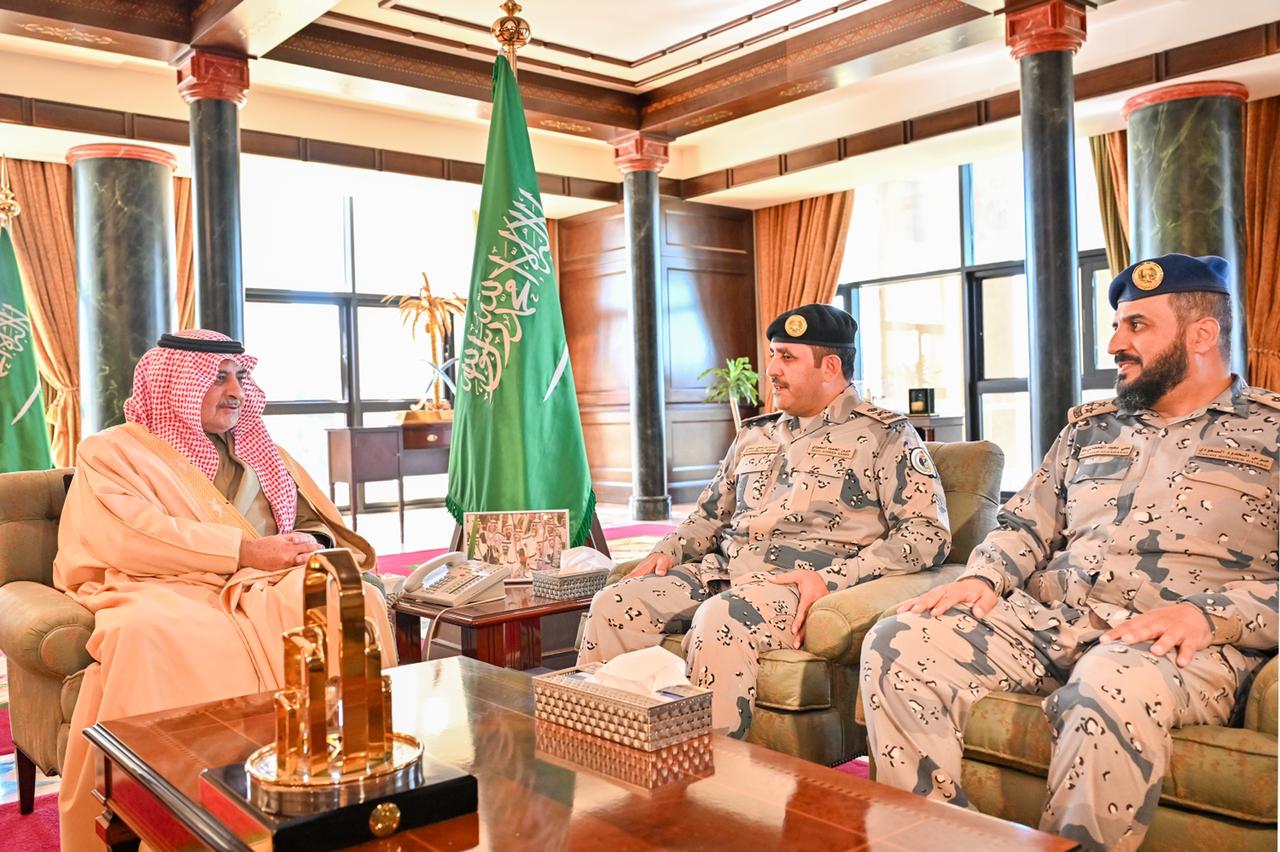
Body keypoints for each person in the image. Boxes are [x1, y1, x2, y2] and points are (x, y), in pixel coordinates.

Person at [860, 254, 1279, 852]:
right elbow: (1022, 525)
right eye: (1117, 325)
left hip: (1175, 645)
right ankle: (932, 841)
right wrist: (985, 577)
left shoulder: (1270, 432)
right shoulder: (1090, 429)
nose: (1114, 343)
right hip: (1056, 622)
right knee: (900, 638)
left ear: (1202, 334)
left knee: (1109, 678)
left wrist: (1209, 616)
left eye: (1137, 325)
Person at [55, 330, 397, 850]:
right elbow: (129, 534)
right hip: (161, 581)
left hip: (264, 582)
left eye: (240, 377)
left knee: (354, 598)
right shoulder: (113, 451)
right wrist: (243, 551)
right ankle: (174, 812)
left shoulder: (263, 450)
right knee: (152, 633)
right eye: (218, 378)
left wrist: (311, 543)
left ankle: (344, 778)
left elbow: (311, 522)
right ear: (173, 385)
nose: (236, 391)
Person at [579, 304, 951, 736]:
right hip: (725, 572)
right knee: (613, 603)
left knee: (720, 618)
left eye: (787, 357)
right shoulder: (756, 433)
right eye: (773, 355)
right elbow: (708, 516)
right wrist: (668, 551)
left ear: (830, 367)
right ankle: (608, 750)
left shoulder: (886, 435)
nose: (771, 369)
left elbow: (927, 536)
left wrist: (832, 579)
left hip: (799, 584)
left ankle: (713, 772)